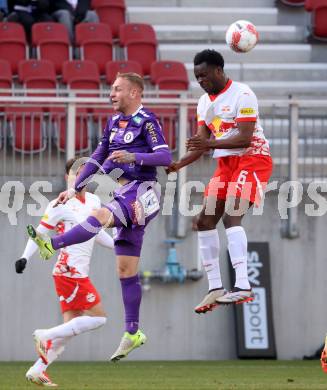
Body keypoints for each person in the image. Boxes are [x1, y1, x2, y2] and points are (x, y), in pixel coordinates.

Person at [27, 72, 172, 361]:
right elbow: (96, 157)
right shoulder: (112, 123)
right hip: (125, 193)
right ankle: (133, 333)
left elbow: (165, 157)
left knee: (100, 214)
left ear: (134, 93)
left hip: (144, 191)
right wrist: (74, 188)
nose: (111, 94)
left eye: (117, 89)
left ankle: (52, 245)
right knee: (125, 271)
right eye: (111, 89)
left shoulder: (147, 120)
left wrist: (135, 157)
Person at [167, 49, 273, 314]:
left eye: (204, 75)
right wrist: (178, 163)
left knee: (231, 216)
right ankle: (215, 287)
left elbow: (245, 138)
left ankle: (244, 286)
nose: (200, 80)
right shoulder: (204, 103)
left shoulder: (243, 94)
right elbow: (202, 143)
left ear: (218, 70)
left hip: (253, 158)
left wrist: (210, 143)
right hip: (226, 164)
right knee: (203, 221)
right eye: (196, 77)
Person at [17, 157, 114, 387]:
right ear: (67, 177)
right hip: (69, 272)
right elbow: (39, 234)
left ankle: (37, 369)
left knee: (69, 330)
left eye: (84, 171)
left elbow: (96, 232)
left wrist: (118, 247)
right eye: (75, 172)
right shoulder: (59, 204)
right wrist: (24, 257)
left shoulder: (93, 201)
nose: (80, 175)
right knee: (99, 318)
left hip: (77, 273)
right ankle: (44, 334)